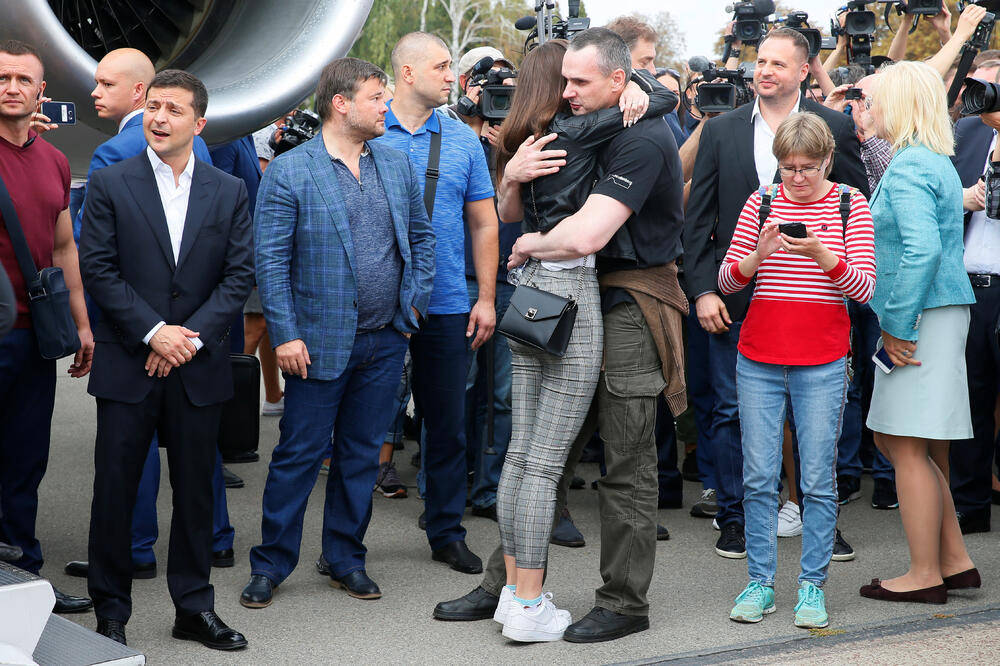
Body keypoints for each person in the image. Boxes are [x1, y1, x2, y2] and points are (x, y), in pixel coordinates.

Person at [436, 27, 687, 643]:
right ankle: (509, 585)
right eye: (565, 81)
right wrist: (514, 176)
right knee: (537, 455)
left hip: (629, 297)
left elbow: (582, 236)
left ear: (617, 82)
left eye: (580, 83)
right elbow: (513, 211)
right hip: (565, 295)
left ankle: (624, 602)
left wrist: (526, 248)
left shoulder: (643, 133)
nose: (568, 93)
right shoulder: (585, 127)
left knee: (624, 459)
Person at [241, 57, 436, 608]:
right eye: (377, 97)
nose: (386, 106)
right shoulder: (290, 170)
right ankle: (271, 563)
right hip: (316, 343)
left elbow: (421, 240)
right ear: (341, 103)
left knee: (359, 457)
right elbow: (271, 263)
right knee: (298, 456)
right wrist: (284, 335)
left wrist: (412, 306)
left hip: (385, 340)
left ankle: (345, 557)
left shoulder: (395, 165)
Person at [79, 69, 253, 649]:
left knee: (197, 494)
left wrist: (188, 338)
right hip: (129, 364)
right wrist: (154, 333)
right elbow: (97, 269)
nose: (159, 118)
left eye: (174, 110)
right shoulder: (111, 181)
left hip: (197, 367)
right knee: (115, 490)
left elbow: (238, 277)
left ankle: (193, 608)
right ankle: (111, 609)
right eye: (153, 106)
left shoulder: (227, 191)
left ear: (198, 124)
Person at [684, 27, 869, 560]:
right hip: (736, 295)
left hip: (816, 303)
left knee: (815, 421)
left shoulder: (834, 126)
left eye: (777, 64)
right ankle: (736, 519)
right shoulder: (721, 131)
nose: (764, 71)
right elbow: (697, 223)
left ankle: (820, 521)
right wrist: (701, 291)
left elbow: (853, 206)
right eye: (759, 61)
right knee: (728, 410)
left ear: (805, 70)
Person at [719, 112, 875, 628]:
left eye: (808, 167)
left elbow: (865, 289)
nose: (798, 177)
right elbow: (726, 281)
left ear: (828, 159)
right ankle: (759, 583)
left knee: (817, 480)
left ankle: (812, 588)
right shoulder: (760, 201)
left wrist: (823, 254)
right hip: (758, 357)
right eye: (788, 167)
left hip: (823, 359)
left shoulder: (852, 204)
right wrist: (754, 258)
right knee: (760, 477)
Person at [373, 32, 498, 575]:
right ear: (406, 72)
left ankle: (446, 532)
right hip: (374, 306)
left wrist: (487, 297)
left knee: (446, 427)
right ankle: (344, 543)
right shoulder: (368, 130)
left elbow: (484, 222)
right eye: (442, 66)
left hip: (447, 303)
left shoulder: (462, 139)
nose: (453, 77)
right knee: (362, 427)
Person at [859, 60, 980, 605]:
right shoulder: (933, 160)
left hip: (921, 315)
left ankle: (925, 573)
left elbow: (922, 250)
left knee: (904, 443)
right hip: (939, 311)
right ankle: (953, 562)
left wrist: (895, 324)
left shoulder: (908, 166)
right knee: (903, 440)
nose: (866, 109)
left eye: (873, 100)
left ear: (901, 104)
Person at [0, 38, 94, 614]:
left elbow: (65, 249)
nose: (11, 87)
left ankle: (24, 581)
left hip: (34, 335)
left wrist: (82, 327)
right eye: (2, 77)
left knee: (25, 459)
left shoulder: (55, 160)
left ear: (41, 92)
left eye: (22, 80)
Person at [452, 45, 519, 520]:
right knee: (456, 390)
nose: (494, 95)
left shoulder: (519, 139)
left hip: (510, 280)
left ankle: (490, 491)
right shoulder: (449, 135)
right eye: (484, 84)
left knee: (503, 396)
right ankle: (448, 492)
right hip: (460, 280)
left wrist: (505, 150)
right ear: (464, 86)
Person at [948, 62, 1000, 536]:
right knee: (972, 398)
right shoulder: (964, 130)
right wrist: (960, 196)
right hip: (971, 287)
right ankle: (969, 504)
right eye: (977, 87)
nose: (983, 96)